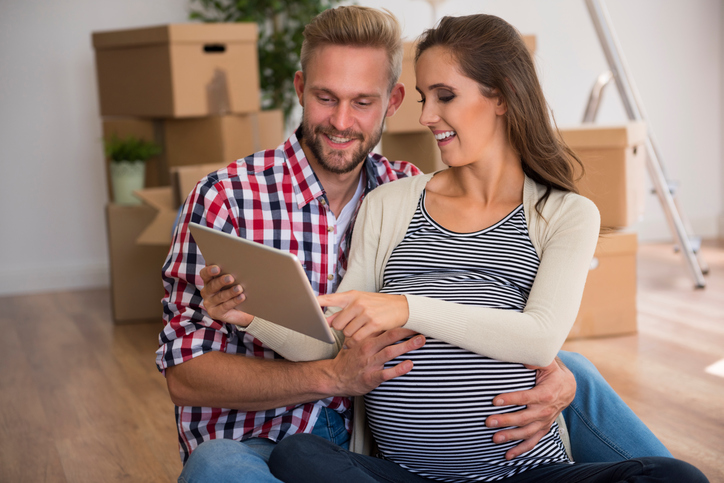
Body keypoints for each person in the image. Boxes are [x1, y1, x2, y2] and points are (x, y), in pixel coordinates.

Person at [159, 6, 672, 483]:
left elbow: (529, 334)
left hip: (493, 463)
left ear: (391, 102)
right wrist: (253, 316)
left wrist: (560, 375)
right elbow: (327, 343)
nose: (342, 121)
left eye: (363, 102)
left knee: (585, 379)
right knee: (252, 459)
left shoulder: (407, 184)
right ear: (299, 89)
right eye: (325, 97)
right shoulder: (244, 197)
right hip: (318, 445)